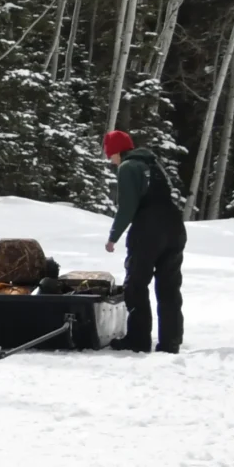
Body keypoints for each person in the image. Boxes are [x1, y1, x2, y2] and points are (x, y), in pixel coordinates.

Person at [102, 128, 184, 354]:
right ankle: (171, 342)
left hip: (149, 230)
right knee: (169, 287)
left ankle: (138, 340)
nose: (111, 160)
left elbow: (127, 206)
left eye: (110, 155)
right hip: (175, 227)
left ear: (117, 151)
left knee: (136, 285)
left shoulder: (128, 167)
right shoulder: (153, 164)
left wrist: (113, 237)